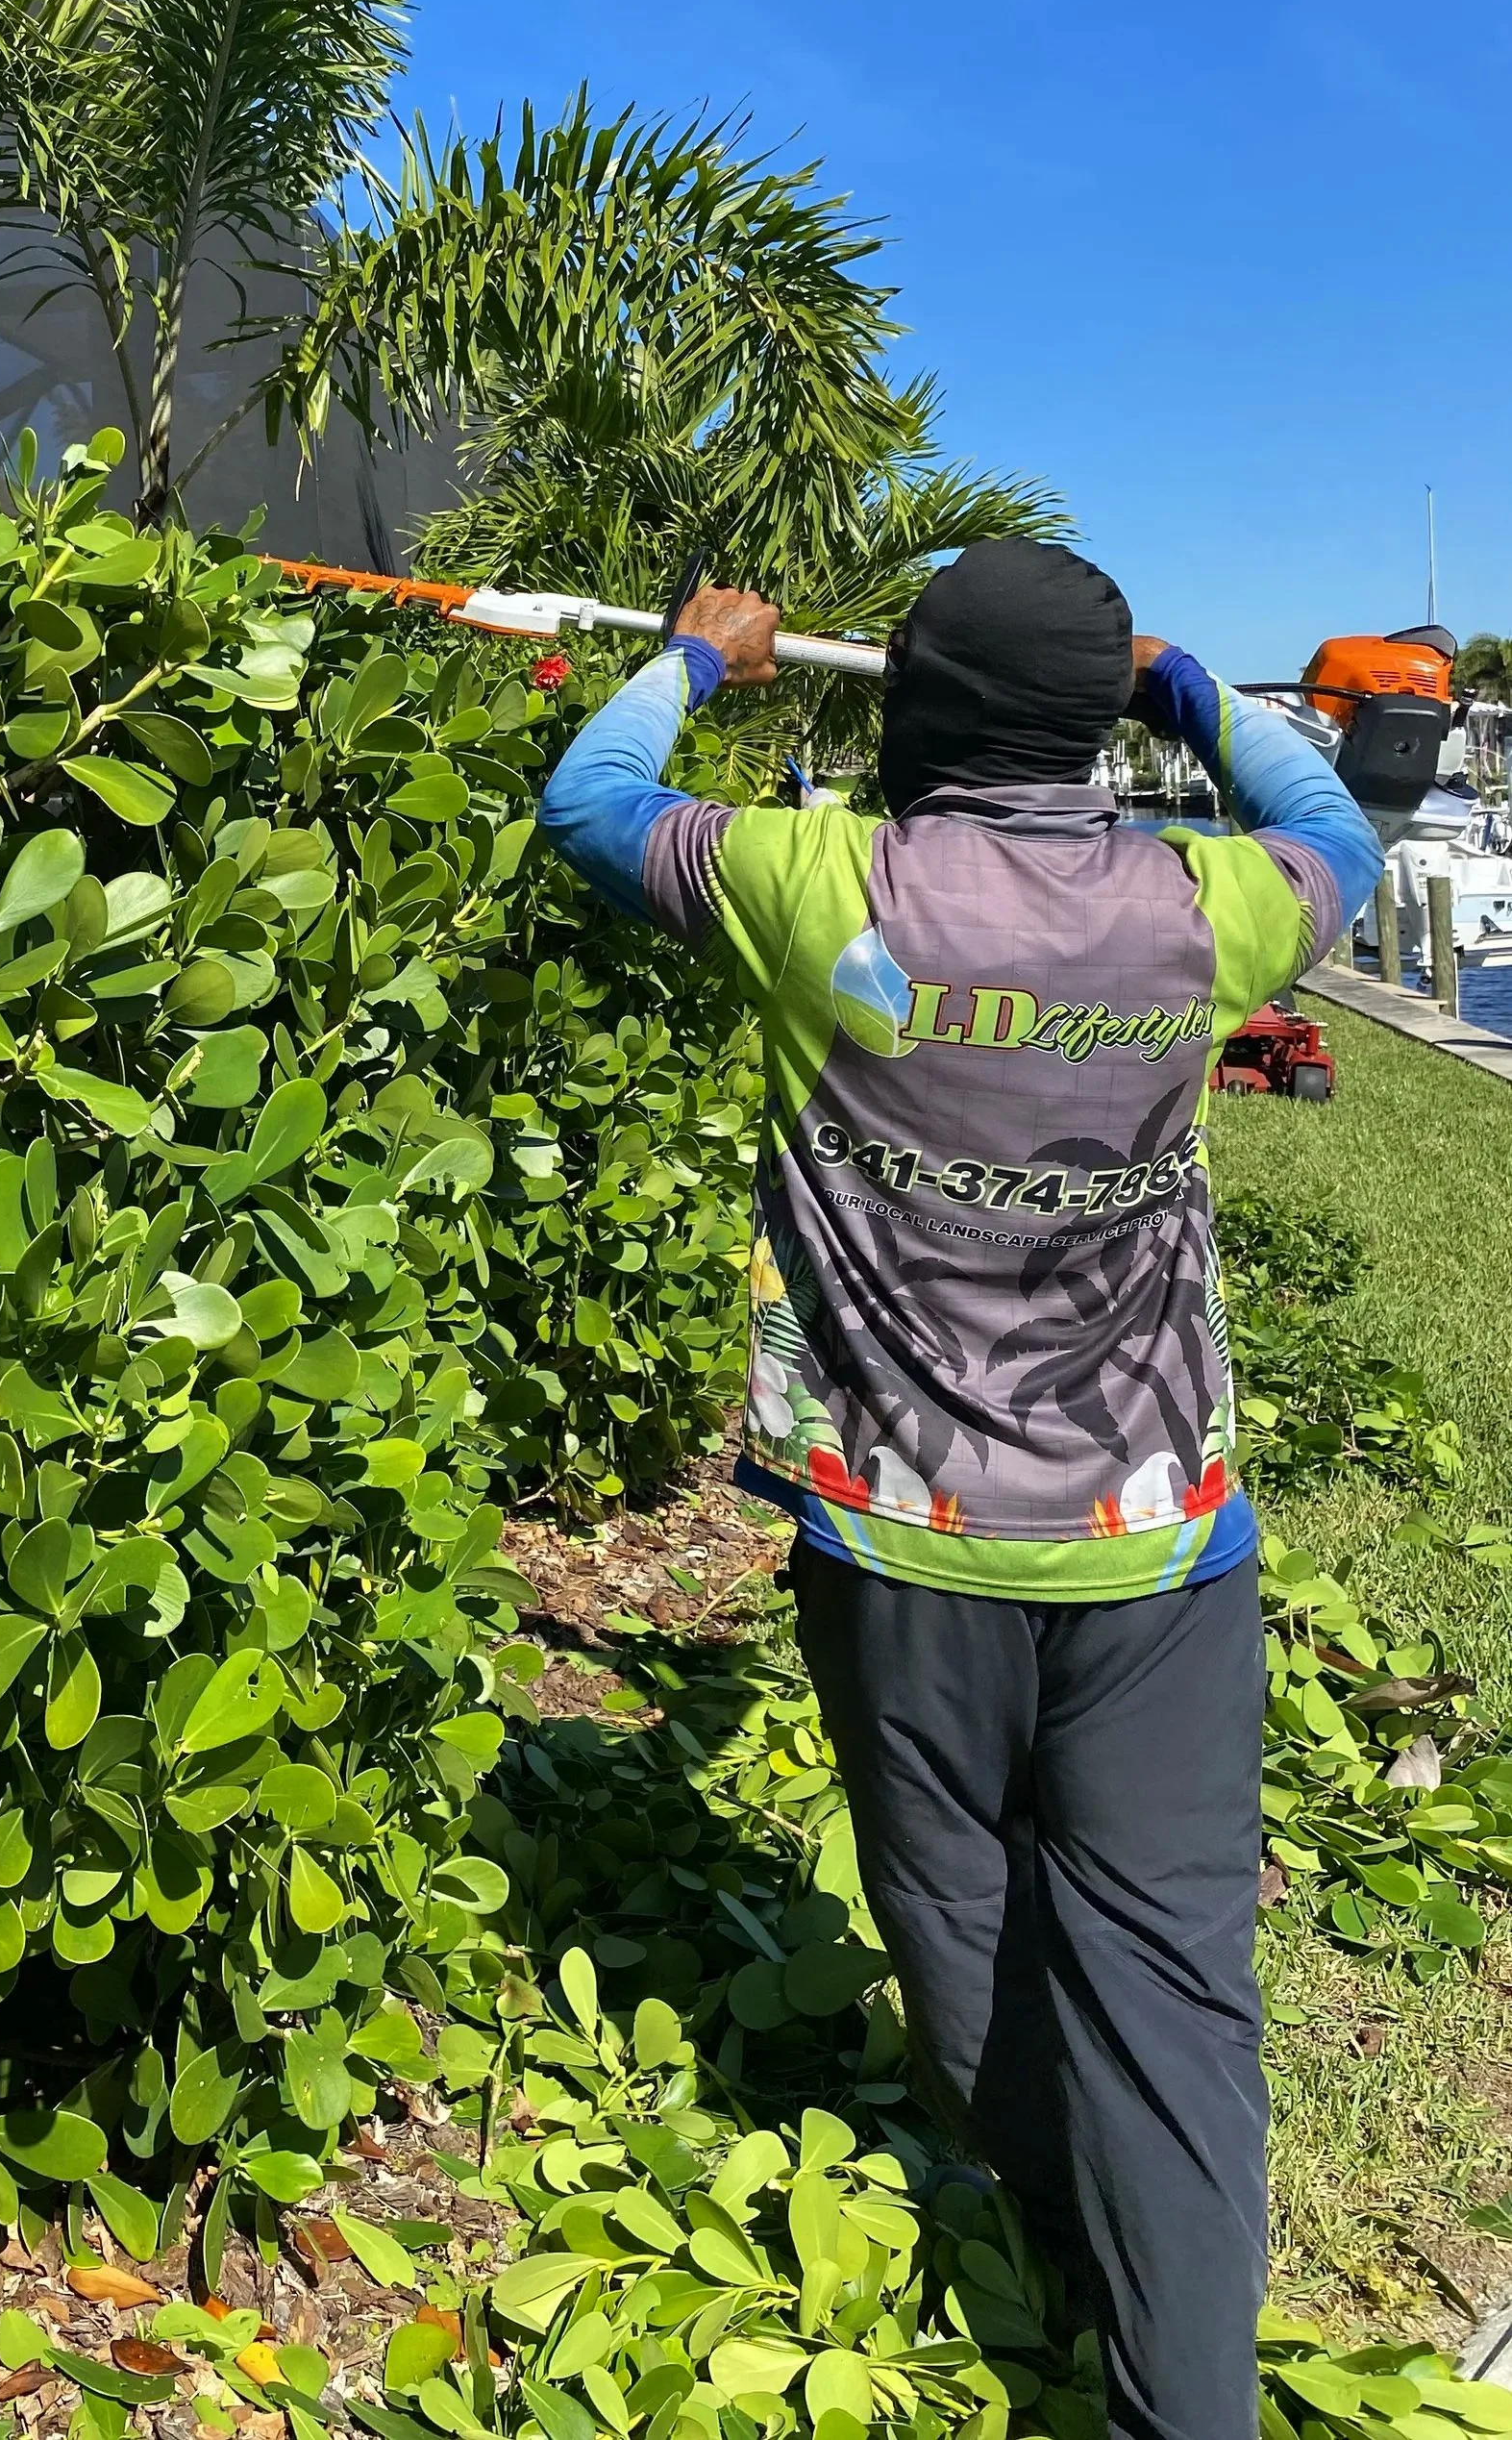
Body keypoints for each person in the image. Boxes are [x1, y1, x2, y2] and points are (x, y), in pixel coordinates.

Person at [537, 538, 1384, 2440]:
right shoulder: (1208, 910)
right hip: (1154, 1543)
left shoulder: (817, 884)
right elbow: (1340, 825)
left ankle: (1061, 2234)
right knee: (1170, 1985)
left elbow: (587, 804)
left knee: (952, 1909)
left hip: (899, 1536)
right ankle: (1179, 2376)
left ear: (912, 703)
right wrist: (1195, 694)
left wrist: (691, 663)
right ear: (1090, 718)